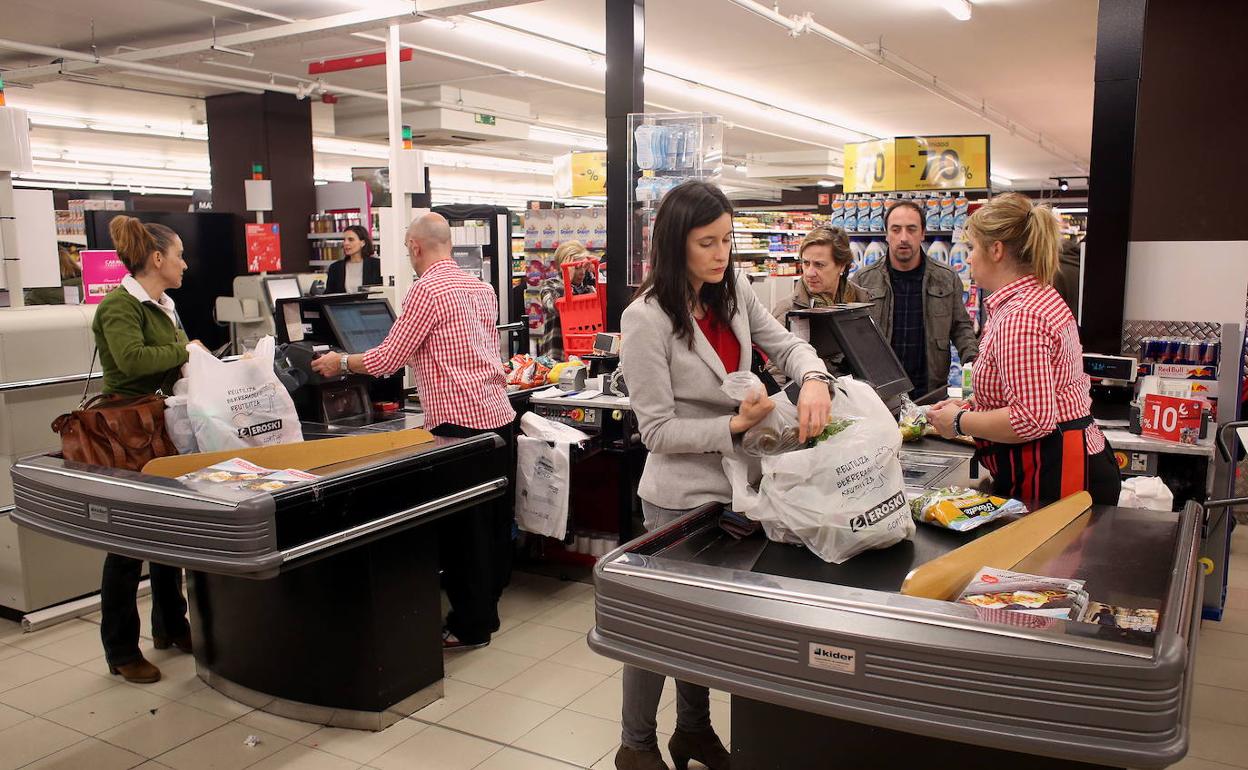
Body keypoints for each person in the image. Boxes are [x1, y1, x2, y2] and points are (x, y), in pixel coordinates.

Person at [618, 181, 833, 770]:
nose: (721, 254)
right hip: (677, 498)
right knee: (660, 630)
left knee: (705, 628)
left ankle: (694, 732)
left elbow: (787, 346)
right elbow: (657, 431)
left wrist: (815, 379)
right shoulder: (645, 319)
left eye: (728, 239)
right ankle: (634, 747)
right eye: (707, 243)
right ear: (674, 245)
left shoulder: (733, 288)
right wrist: (734, 428)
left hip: (737, 492)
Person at [311, 213, 516, 650]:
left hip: (458, 426)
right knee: (492, 525)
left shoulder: (426, 290)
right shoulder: (481, 288)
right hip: (497, 417)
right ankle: (486, 613)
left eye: (407, 249)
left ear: (416, 247)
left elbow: (389, 358)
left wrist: (340, 362)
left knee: (463, 530)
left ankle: (469, 625)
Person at [928, 194, 1120, 505]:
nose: (970, 257)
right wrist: (969, 408)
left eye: (973, 247)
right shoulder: (1031, 299)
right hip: (1058, 463)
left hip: (1058, 473)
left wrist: (958, 423)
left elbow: (1032, 418)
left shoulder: (1022, 316)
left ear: (996, 250)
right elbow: (1021, 391)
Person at [91, 216, 195, 684]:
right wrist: (185, 350)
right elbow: (132, 359)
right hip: (127, 430)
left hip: (161, 426)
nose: (184, 264)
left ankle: (171, 625)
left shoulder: (164, 304)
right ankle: (120, 648)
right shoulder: (120, 306)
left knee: (167, 531)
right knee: (126, 543)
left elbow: (177, 361)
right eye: (178, 256)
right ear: (157, 259)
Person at [854, 200, 978, 399]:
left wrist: (974, 362)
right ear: (886, 234)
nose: (903, 237)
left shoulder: (946, 277)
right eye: (896, 230)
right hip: (880, 393)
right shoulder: (863, 280)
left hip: (930, 391)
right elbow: (854, 337)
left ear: (922, 234)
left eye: (911, 229)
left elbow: (961, 327)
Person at [771, 226, 860, 375]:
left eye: (819, 265)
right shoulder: (788, 310)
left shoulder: (860, 301)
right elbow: (777, 372)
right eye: (806, 263)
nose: (809, 273)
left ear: (842, 266)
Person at [536, 240, 596, 359]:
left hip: (583, 353)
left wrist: (596, 272)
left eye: (583, 267)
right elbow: (553, 306)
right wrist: (567, 280)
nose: (582, 272)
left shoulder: (589, 289)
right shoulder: (551, 285)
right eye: (577, 267)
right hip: (557, 355)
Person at [325, 225, 381, 294]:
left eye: (351, 239)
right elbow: (329, 295)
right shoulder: (335, 268)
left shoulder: (377, 265)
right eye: (344, 240)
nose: (346, 243)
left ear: (362, 243)